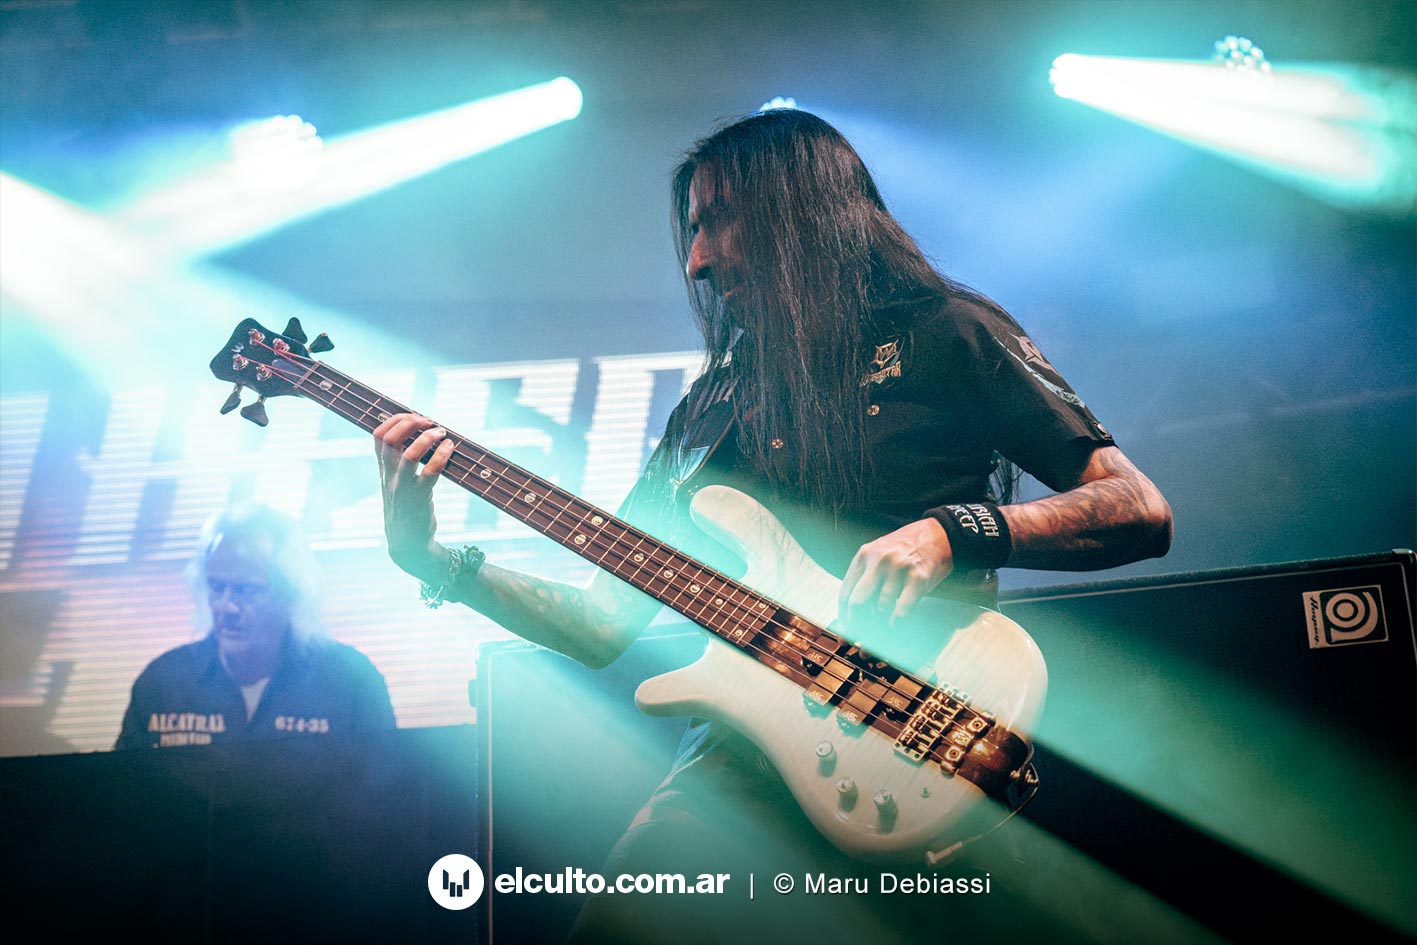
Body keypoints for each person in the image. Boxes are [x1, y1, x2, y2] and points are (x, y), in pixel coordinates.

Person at [373, 109, 1172, 943]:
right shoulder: (707, 409)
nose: (697, 260)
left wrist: (949, 531)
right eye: (691, 231)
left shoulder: (948, 332)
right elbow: (601, 620)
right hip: (741, 761)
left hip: (922, 732)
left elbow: (1137, 508)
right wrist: (432, 560)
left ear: (800, 211)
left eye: (717, 221)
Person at [115, 504, 396, 750]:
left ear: (291, 592)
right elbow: (120, 787)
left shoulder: (350, 681)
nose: (227, 608)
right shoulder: (162, 682)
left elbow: (390, 785)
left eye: (246, 590)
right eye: (217, 587)